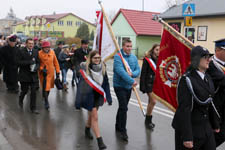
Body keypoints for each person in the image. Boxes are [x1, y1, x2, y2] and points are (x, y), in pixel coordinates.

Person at [172, 46, 220, 150]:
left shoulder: (207, 78)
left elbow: (210, 101)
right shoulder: (186, 80)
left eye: (209, 57)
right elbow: (184, 109)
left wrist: (215, 124)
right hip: (191, 129)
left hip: (206, 127)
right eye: (205, 57)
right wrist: (187, 137)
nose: (209, 60)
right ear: (196, 60)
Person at [75, 50, 112, 150]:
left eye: (98, 58)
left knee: (92, 116)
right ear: (90, 59)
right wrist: (78, 102)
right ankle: (100, 141)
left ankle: (87, 128)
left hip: (98, 95)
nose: (97, 60)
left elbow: (106, 83)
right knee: (95, 117)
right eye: (95, 58)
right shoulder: (86, 69)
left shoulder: (103, 68)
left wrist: (108, 97)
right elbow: (81, 87)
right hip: (88, 96)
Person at [113, 39, 140, 142]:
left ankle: (118, 125)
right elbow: (120, 71)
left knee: (123, 107)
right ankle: (123, 130)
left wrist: (133, 75)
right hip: (119, 85)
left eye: (130, 46)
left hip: (128, 87)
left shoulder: (133, 57)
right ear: (123, 46)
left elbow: (138, 69)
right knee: (124, 107)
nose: (129, 48)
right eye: (127, 46)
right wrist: (131, 81)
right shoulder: (118, 57)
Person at [207, 38, 225, 147]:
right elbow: (221, 80)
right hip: (214, 109)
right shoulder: (211, 65)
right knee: (215, 137)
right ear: (218, 50)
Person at [17, 38, 40, 114]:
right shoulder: (21, 51)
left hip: (33, 75)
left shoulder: (36, 51)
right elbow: (18, 62)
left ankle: (33, 108)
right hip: (24, 75)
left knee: (33, 91)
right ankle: (21, 98)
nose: (31, 45)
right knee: (25, 90)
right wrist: (29, 62)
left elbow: (38, 63)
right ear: (26, 44)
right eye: (29, 43)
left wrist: (36, 68)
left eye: (32, 44)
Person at [140, 44, 160, 129]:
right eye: (156, 50)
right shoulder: (147, 60)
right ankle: (148, 120)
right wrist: (142, 86)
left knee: (150, 103)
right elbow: (143, 73)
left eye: (159, 50)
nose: (158, 51)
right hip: (148, 84)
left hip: (155, 85)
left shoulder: (160, 60)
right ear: (152, 50)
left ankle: (148, 121)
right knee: (153, 101)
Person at [38, 41, 60, 110]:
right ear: (42, 48)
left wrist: (58, 72)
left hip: (51, 73)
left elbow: (56, 63)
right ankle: (46, 101)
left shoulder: (52, 52)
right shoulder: (39, 53)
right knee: (45, 87)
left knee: (48, 88)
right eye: (45, 47)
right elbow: (37, 63)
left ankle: (45, 97)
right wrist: (41, 69)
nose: (47, 48)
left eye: (48, 47)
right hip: (43, 73)